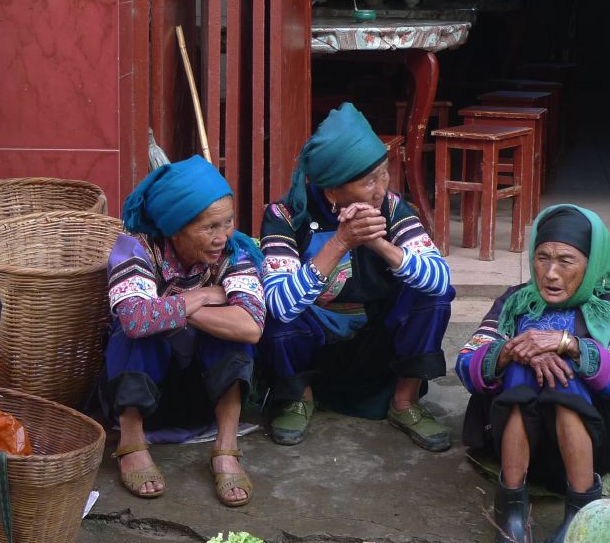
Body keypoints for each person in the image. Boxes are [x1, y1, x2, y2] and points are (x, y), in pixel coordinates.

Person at [456, 205, 610, 543]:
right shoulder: (515, 301)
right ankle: (511, 506)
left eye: (566, 260)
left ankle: (582, 509)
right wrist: (513, 351)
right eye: (542, 258)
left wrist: (570, 345)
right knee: (520, 368)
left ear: (592, 262)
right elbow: (466, 365)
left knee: (563, 371)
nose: (551, 273)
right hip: (519, 443)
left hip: (593, 443)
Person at [260, 102, 454, 451]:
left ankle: (404, 402)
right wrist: (340, 242)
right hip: (316, 344)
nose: (381, 188)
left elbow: (440, 279)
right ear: (332, 191)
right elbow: (279, 305)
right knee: (276, 313)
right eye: (369, 182)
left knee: (431, 294)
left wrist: (378, 243)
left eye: (384, 173)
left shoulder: (392, 207)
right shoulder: (285, 215)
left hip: (375, 341)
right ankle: (297, 397)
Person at [101, 156, 265, 507]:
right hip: (143, 394)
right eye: (209, 227)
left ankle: (225, 448)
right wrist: (201, 296)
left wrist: (172, 309)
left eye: (228, 222)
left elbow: (250, 326)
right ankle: (131, 444)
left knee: (231, 336)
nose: (223, 236)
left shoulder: (234, 253)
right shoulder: (136, 248)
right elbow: (134, 319)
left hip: (203, 392)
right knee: (134, 335)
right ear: (175, 229)